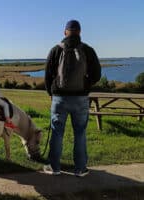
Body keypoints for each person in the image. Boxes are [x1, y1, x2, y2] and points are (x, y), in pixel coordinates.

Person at [44, 20, 101, 177]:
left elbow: (48, 76)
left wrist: (51, 93)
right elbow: (97, 74)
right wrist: (85, 84)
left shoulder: (55, 50)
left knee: (57, 132)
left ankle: (54, 167)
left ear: (65, 32)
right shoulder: (88, 50)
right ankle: (80, 169)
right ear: (80, 32)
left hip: (59, 98)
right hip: (81, 99)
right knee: (80, 133)